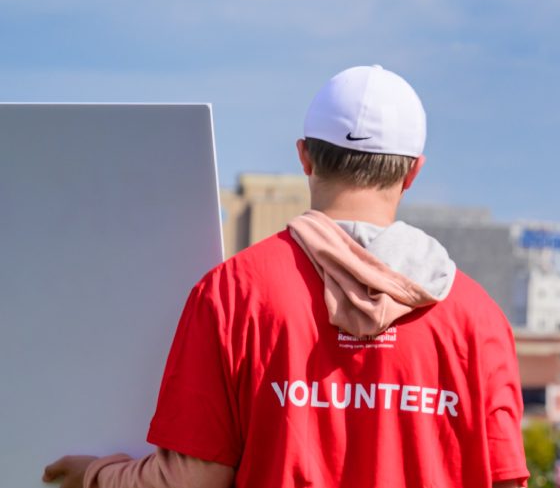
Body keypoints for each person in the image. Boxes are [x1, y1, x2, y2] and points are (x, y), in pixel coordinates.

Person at [43, 66, 529, 488]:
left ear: (305, 157)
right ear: (413, 172)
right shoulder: (478, 318)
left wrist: (94, 476)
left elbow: (191, 480)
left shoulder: (234, 294)